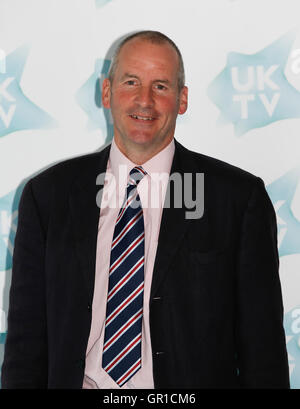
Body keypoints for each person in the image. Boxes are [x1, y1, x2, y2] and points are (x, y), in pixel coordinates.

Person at [1, 30, 290, 389]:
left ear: (182, 100)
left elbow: (263, 352)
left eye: (161, 87)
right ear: (107, 93)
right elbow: (25, 345)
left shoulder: (238, 200)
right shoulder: (47, 197)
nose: (144, 101)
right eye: (131, 82)